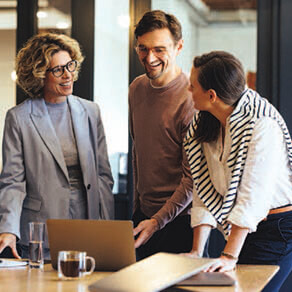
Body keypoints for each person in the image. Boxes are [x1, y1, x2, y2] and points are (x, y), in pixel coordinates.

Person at [184, 50, 292, 292]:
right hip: (242, 227)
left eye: (192, 87)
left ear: (211, 95)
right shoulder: (205, 122)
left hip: (277, 227)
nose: (188, 91)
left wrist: (229, 256)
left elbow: (253, 197)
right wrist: (196, 252)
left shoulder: (262, 123)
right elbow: (203, 188)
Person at [0, 33, 114, 259]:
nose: (68, 74)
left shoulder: (91, 111)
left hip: (87, 224)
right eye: (58, 69)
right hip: (42, 227)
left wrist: (107, 228)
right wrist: (8, 228)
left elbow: (103, 176)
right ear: (40, 75)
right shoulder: (19, 118)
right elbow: (13, 181)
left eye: (70, 66)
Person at [129, 10, 198, 260]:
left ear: (178, 47)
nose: (150, 58)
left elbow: (193, 179)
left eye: (160, 49)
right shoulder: (136, 88)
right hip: (143, 218)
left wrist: (158, 221)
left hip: (181, 223)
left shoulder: (192, 99)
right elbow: (139, 151)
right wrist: (139, 211)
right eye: (143, 49)